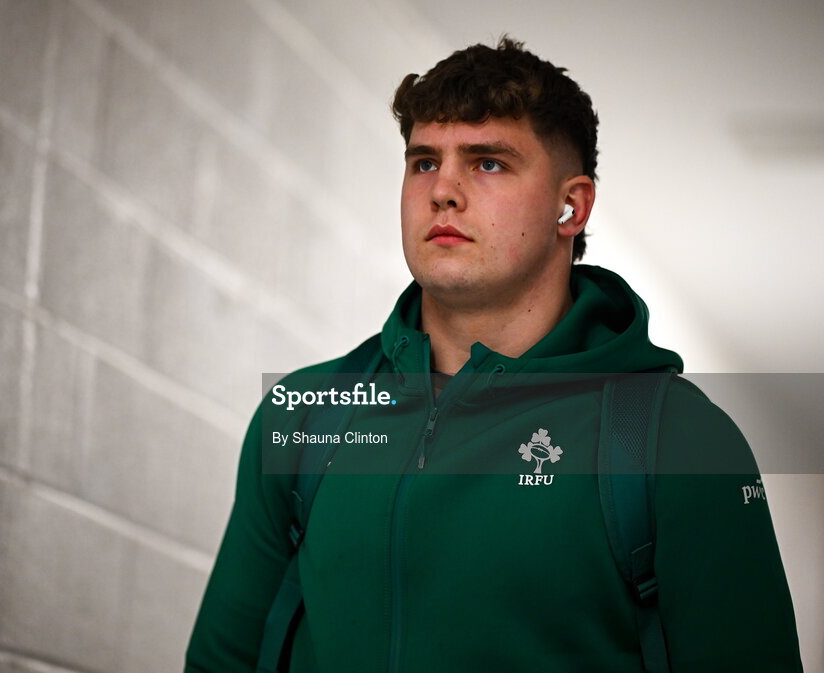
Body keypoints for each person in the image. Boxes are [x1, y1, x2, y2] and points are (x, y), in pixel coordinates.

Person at [185, 37, 803, 672]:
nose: (443, 190)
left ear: (572, 206)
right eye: (424, 161)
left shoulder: (680, 440)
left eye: (488, 163)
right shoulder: (307, 416)